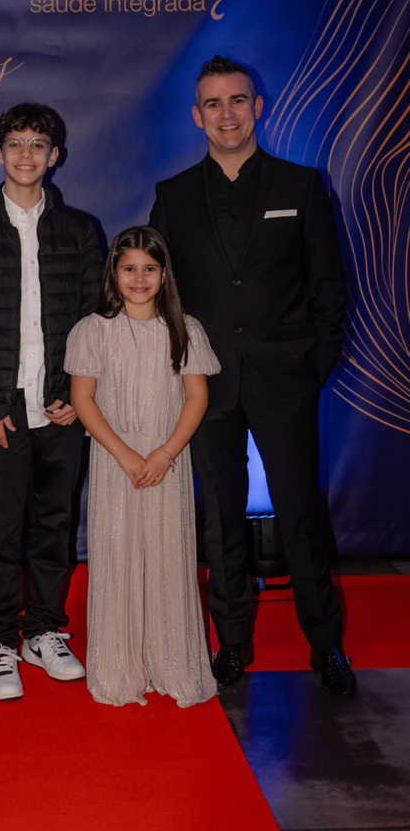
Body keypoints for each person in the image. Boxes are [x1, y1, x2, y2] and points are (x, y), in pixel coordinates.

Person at [149, 54, 356, 697]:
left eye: (237, 100)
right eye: (213, 103)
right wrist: (177, 369)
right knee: (221, 520)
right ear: (197, 116)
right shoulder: (173, 196)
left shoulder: (301, 185)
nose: (227, 113)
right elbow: (157, 293)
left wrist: (314, 366)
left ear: (258, 106)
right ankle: (232, 642)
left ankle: (325, 645)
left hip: (285, 379)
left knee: (300, 515)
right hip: (206, 386)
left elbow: (329, 287)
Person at [0, 102, 103, 700]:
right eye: (15, 143)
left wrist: (77, 394)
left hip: (62, 409)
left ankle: (43, 632)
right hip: (1, 411)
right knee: (3, 530)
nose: (26, 154)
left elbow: (96, 320)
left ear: (54, 155)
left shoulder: (81, 231)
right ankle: (0, 642)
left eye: (38, 143)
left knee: (55, 527)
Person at [65, 226, 219, 707]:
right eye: (129, 268)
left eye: (149, 268)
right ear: (113, 272)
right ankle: (120, 663)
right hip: (116, 461)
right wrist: (125, 454)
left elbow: (196, 397)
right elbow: (83, 400)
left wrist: (165, 454)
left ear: (164, 273)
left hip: (167, 461)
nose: (139, 278)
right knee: (118, 554)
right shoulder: (93, 330)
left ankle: (171, 659)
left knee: (168, 554)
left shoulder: (186, 329)